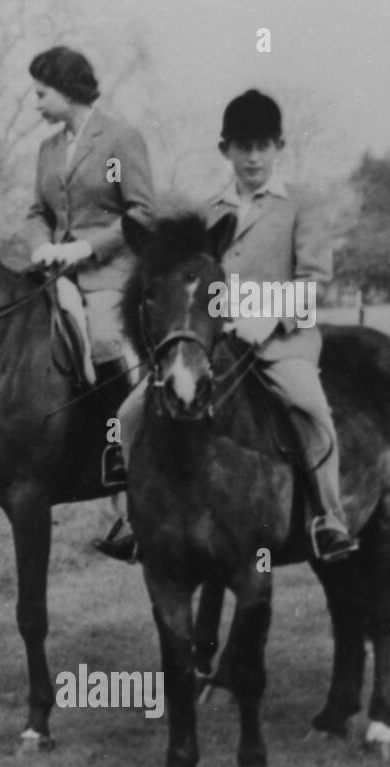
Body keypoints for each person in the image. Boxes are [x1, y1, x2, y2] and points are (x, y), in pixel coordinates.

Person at [107, 89, 354, 563]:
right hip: (213, 341)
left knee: (311, 408)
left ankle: (329, 516)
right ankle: (135, 520)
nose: (253, 157)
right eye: (243, 147)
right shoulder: (208, 210)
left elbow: (315, 281)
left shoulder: (300, 205)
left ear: (278, 147)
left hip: (281, 339)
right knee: (129, 414)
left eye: (263, 146)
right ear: (226, 151)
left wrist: (269, 316)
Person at [24, 45, 156, 553]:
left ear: (66, 90)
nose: (35, 102)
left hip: (112, 275)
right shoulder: (47, 150)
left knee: (103, 340)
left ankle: (128, 465)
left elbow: (141, 213)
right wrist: (42, 245)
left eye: (41, 92)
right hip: (56, 274)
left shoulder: (121, 139)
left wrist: (86, 247)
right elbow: (36, 210)